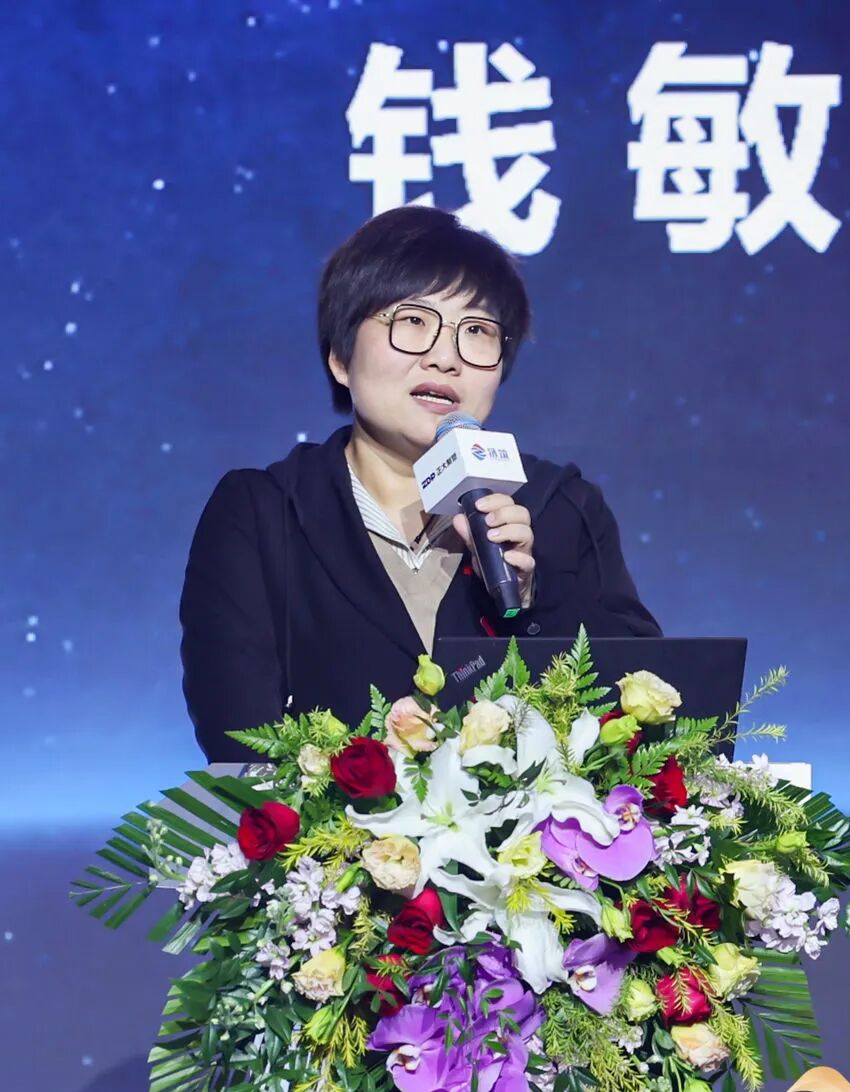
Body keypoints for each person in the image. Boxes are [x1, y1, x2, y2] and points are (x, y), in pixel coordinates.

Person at [179, 206, 660, 761]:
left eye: (477, 332)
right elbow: (239, 739)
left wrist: (532, 601)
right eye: (412, 321)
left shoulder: (559, 507)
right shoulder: (263, 515)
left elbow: (644, 709)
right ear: (340, 357)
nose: (445, 358)